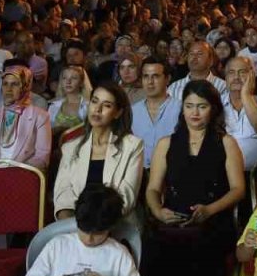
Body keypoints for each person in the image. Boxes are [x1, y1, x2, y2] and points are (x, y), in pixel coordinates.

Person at [141, 80, 245, 276]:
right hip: (172, 217)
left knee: (202, 246)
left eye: (202, 106)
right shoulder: (166, 143)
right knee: (155, 246)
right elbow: (152, 189)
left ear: (213, 109)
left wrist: (209, 210)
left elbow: (238, 189)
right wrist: (159, 211)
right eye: (189, 106)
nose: (194, 113)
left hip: (212, 218)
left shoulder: (226, 143)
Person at [18, 185, 147, 276]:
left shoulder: (118, 254)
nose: (89, 239)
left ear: (111, 227)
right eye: (84, 230)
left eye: (98, 234)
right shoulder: (57, 245)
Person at [54, 82, 144, 220]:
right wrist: (72, 224)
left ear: (118, 113)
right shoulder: (70, 147)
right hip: (75, 223)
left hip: (115, 222)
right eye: (94, 102)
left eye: (107, 105)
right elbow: (63, 194)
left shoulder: (132, 146)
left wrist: (95, 227)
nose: (98, 109)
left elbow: (127, 196)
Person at [0, 65, 52, 170]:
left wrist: (13, 176)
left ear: (25, 86)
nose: (8, 89)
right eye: (5, 84)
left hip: (22, 178)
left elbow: (42, 157)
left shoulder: (40, 117)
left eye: (15, 84)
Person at [223, 57, 257, 174]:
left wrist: (245, 95)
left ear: (252, 75)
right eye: (231, 72)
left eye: (242, 72)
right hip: (224, 173)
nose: (236, 77)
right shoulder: (216, 104)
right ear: (225, 78)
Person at [130, 58, 180, 169]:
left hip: (171, 172)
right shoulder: (133, 111)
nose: (150, 82)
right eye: (145, 76)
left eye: (155, 76)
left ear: (167, 79)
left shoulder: (180, 109)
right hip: (139, 173)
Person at [47, 65, 90, 133]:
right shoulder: (53, 105)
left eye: (74, 78)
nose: (68, 81)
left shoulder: (87, 106)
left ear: (81, 83)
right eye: (64, 78)